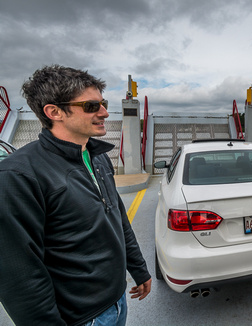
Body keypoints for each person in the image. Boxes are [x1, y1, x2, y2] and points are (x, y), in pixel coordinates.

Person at [0, 65, 152, 325]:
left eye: (103, 103)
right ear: (54, 112)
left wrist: (139, 269)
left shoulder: (98, 157)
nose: (104, 112)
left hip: (117, 302)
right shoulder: (18, 176)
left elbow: (118, 219)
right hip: (79, 318)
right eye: (92, 106)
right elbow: (20, 276)